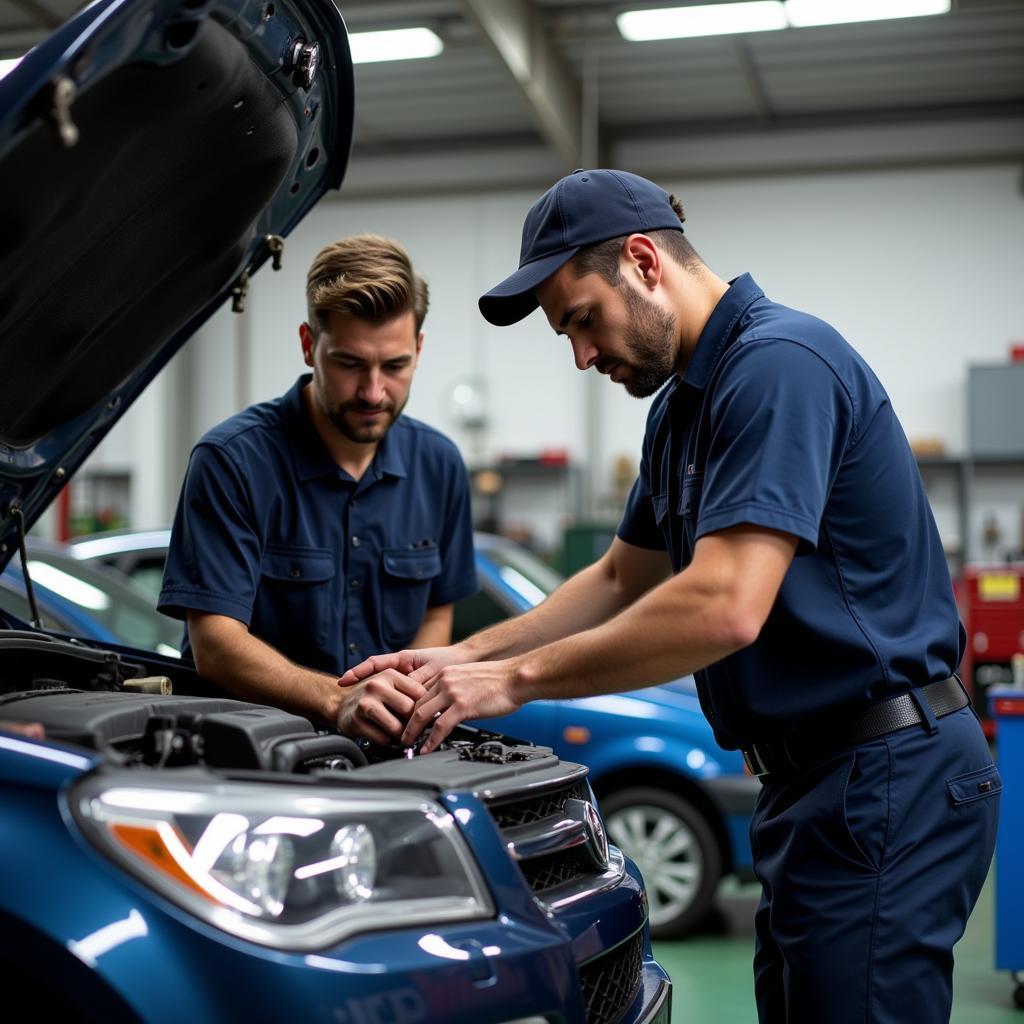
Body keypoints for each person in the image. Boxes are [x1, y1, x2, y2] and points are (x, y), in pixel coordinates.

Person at [340, 170, 1000, 1023]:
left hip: (884, 774)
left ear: (645, 261)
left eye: (583, 319)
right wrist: (468, 654)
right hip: (810, 786)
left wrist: (511, 683)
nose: (581, 355)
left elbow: (726, 605)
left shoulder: (778, 366)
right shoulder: (683, 410)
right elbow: (620, 578)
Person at [158, 234, 478, 743]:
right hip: (250, 758)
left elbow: (438, 610)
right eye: (350, 364)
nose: (374, 391)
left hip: (388, 754)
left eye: (394, 366)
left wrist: (405, 703)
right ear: (309, 345)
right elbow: (215, 643)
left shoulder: (439, 465)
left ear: (418, 348)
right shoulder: (232, 462)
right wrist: (338, 700)